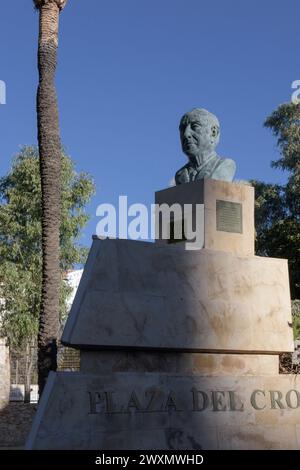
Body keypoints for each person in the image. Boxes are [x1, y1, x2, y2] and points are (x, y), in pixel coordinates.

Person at [175, 108, 236, 185]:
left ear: (213, 133)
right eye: (182, 129)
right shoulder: (180, 175)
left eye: (195, 127)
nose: (186, 134)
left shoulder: (225, 166)